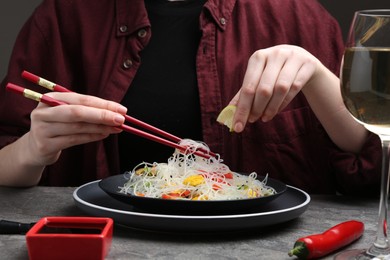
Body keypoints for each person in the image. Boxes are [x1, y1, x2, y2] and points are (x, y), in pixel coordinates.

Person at [0, 0, 381, 195]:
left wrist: (314, 73)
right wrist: (34, 148)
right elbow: (6, 159)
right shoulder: (66, 16)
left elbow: (370, 162)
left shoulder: (295, 14)